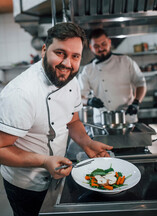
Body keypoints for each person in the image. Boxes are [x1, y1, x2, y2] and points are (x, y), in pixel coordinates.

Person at [0, 23, 113, 216]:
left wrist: (87, 143)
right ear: (44, 50)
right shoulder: (21, 93)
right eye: (60, 53)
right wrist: (45, 161)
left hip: (57, 175)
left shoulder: (71, 79)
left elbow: (73, 120)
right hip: (26, 185)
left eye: (75, 56)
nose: (67, 63)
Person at [78, 28, 147, 124]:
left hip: (127, 117)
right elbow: (79, 97)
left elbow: (141, 83)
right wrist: (89, 101)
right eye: (96, 46)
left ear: (109, 42)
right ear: (91, 47)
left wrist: (136, 103)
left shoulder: (125, 61)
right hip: (102, 121)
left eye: (103, 44)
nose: (101, 49)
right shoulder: (87, 70)